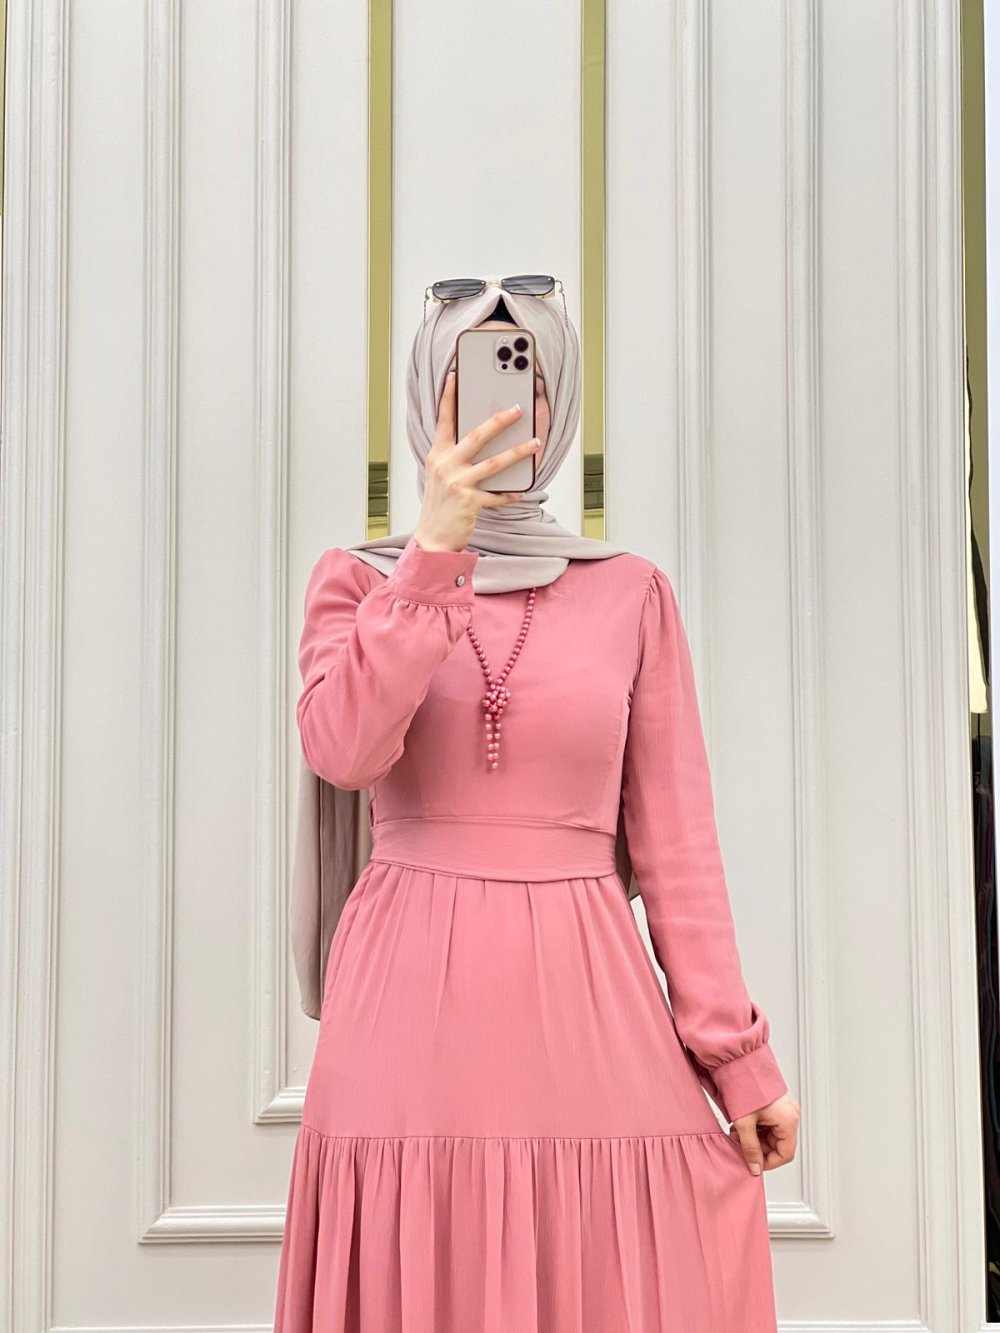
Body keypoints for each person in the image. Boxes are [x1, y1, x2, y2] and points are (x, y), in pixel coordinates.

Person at [273, 282, 800, 1331]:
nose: (509, 413)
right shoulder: (358, 582)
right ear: (426, 399)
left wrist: (739, 1060)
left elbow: (678, 846)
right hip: (404, 1004)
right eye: (470, 384)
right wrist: (430, 557)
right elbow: (343, 750)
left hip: (586, 991)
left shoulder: (631, 591)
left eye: (533, 385)